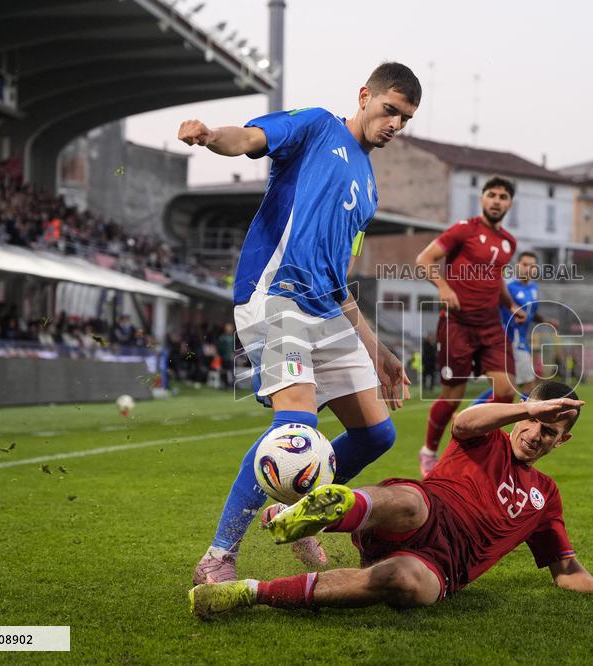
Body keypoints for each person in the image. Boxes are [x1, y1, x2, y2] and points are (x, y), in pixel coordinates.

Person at [177, 62, 421, 584]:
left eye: (405, 118)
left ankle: (299, 499)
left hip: (327, 307)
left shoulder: (370, 190)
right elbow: (249, 138)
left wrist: (376, 348)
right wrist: (210, 136)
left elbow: (340, 275)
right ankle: (219, 555)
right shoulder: (315, 126)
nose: (395, 124)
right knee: (295, 431)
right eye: (389, 110)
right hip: (275, 295)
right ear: (364, 96)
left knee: (377, 434)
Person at [189, 380, 593, 618]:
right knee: (410, 502)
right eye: (533, 422)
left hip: (445, 566)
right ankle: (316, 514)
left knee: (406, 584)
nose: (535, 434)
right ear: (521, 415)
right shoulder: (485, 438)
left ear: (561, 442)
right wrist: (529, 405)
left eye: (550, 432)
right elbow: (466, 421)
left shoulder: (546, 497)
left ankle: (248, 593)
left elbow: (566, 570)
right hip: (422, 512)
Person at [415, 176, 526, 477]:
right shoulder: (464, 229)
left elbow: (496, 278)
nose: (496, 200)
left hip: (490, 325)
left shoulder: (509, 243)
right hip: (457, 324)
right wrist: (442, 287)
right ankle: (428, 451)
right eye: (491, 194)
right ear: (482, 199)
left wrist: (511, 305)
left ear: (509, 204)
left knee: (506, 391)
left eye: (503, 196)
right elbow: (424, 259)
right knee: (451, 396)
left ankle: (471, 439)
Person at [473, 251, 560, 403]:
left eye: (532, 266)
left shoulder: (534, 288)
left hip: (521, 342)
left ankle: (471, 411)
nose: (528, 268)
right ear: (517, 266)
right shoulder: (508, 288)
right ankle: (524, 423)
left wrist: (545, 320)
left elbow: (530, 313)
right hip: (511, 340)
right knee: (527, 385)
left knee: (506, 386)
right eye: (525, 264)